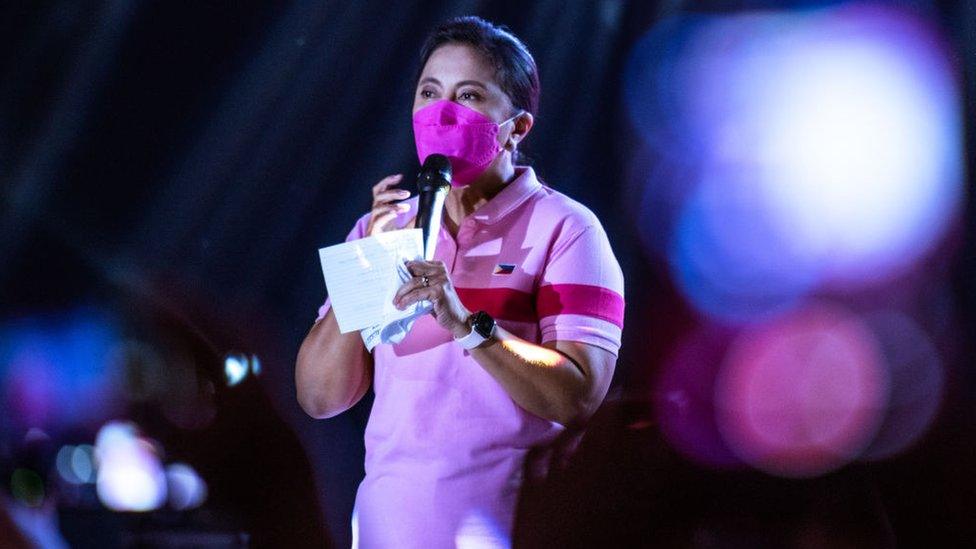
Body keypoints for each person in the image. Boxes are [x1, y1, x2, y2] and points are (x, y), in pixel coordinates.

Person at [296, 16, 624, 548]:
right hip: (384, 531)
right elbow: (319, 396)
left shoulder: (568, 228)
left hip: (507, 527)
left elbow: (578, 395)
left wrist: (469, 326)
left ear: (517, 127)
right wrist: (368, 264)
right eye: (429, 92)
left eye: (468, 95)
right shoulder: (381, 230)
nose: (442, 111)